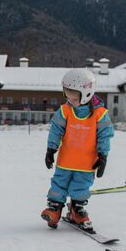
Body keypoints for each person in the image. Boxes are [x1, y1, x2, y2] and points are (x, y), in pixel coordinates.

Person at [40, 68, 114, 230]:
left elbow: (105, 136)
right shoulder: (65, 111)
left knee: (81, 187)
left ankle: (77, 209)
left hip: (87, 163)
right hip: (65, 161)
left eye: (74, 98)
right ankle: (54, 209)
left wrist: (103, 156)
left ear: (86, 94)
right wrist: (50, 149)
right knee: (58, 185)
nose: (70, 100)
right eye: (67, 96)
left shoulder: (100, 114)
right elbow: (55, 130)